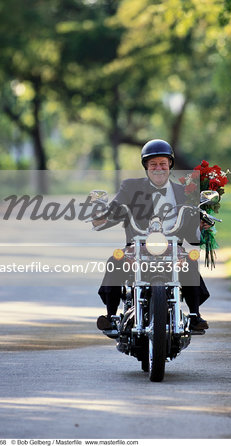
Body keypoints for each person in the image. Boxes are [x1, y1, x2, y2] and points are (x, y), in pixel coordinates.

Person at [92, 139, 211, 332]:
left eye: (163, 163)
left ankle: (195, 315)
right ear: (146, 166)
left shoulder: (184, 192)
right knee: (114, 260)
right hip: (137, 247)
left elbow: (192, 235)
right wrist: (101, 214)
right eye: (153, 164)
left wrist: (202, 228)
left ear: (170, 164)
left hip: (173, 249)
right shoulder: (130, 187)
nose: (158, 168)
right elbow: (114, 210)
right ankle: (111, 315)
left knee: (190, 260)